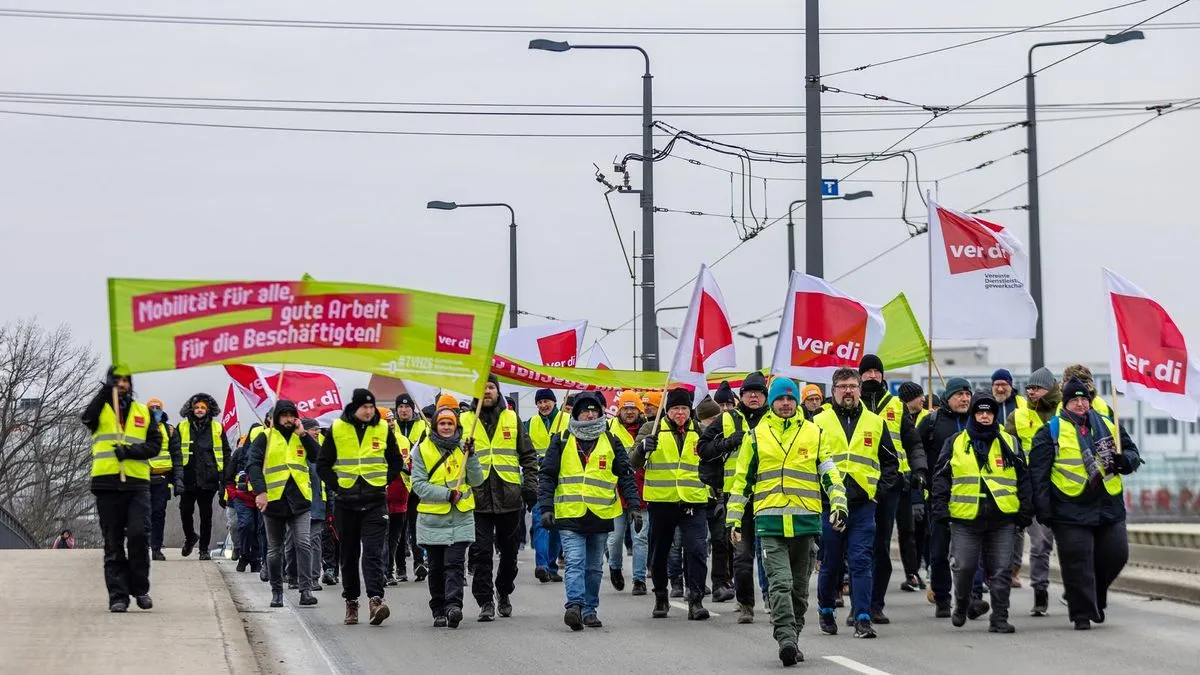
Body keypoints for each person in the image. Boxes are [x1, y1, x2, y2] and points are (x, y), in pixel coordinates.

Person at [728, 376, 847, 667]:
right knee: (780, 584)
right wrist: (734, 518)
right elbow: (742, 480)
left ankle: (793, 636)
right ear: (772, 402)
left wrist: (839, 503)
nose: (785, 403)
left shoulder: (814, 433)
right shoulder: (756, 436)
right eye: (780, 399)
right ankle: (786, 640)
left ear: (796, 401)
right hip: (770, 523)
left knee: (799, 591)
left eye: (790, 398)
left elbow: (830, 473)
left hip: (806, 523)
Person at [1029, 377, 1141, 630]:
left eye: (1084, 400)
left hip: (1108, 504)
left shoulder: (1109, 425)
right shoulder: (1050, 430)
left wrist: (1125, 461)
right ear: (1065, 403)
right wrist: (1042, 509)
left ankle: (1096, 597)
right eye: (1074, 400)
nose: (1080, 404)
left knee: (1116, 555)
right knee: (1077, 562)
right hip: (1069, 507)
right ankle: (1081, 614)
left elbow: (1133, 453)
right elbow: (1038, 473)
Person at [539, 392, 642, 630]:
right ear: (576, 414)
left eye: (594, 411)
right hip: (570, 513)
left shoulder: (611, 440)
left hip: (600, 514)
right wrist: (545, 508)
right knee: (575, 561)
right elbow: (547, 475)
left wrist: (634, 507)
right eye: (584, 411)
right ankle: (574, 606)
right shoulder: (561, 439)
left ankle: (589, 610)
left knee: (594, 567)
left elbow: (626, 476)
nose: (589, 415)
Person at [931, 392, 1032, 634]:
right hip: (965, 518)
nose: (985, 416)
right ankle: (962, 603)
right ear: (973, 414)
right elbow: (941, 477)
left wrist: (1026, 510)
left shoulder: (1010, 442)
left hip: (1003, 518)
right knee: (964, 567)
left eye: (989, 412)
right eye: (980, 412)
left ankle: (999, 618)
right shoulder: (956, 442)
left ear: (995, 415)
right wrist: (940, 508)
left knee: (1001, 570)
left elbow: (1024, 478)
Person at [813, 367, 899, 638]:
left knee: (861, 561)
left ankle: (863, 617)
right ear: (833, 391)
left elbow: (891, 463)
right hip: (830, 505)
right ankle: (826, 609)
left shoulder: (875, 422)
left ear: (860, 389)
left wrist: (877, 493)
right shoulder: (818, 421)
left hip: (863, 506)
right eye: (842, 387)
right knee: (831, 562)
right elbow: (806, 461)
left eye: (852, 386)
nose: (848, 391)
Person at [81, 364, 164, 612]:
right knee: (113, 542)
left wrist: (129, 452)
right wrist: (104, 393)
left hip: (137, 484)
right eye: (117, 380)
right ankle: (118, 596)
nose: (122, 384)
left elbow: (155, 445)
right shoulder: (101, 408)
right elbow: (86, 418)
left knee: (139, 536)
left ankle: (140, 588)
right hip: (107, 483)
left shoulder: (142, 411)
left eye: (125, 380)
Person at [318, 389, 404, 626]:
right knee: (349, 554)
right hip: (346, 503)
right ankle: (351, 601)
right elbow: (323, 464)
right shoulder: (338, 428)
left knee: (373, 553)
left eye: (371, 407)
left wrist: (383, 480)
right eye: (364, 407)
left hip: (375, 501)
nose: (368, 411)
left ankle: (376, 600)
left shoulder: (382, 428)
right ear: (354, 408)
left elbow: (396, 461)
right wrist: (337, 486)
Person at [460, 375, 539, 621]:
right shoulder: (464, 420)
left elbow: (528, 455)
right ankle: (485, 601)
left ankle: (503, 591)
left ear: (498, 391)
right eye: (482, 387)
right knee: (481, 552)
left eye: (491, 387)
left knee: (509, 553)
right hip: (477, 497)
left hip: (509, 497)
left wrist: (530, 487)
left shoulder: (512, 418)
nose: (487, 391)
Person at [856, 354, 926, 624]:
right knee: (859, 548)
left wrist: (919, 468)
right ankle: (858, 605)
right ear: (860, 376)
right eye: (868, 372)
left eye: (877, 371)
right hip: (858, 486)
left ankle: (875, 604)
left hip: (891, 485)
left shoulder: (897, 405)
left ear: (883, 376)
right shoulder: (852, 404)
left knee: (881, 547)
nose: (873, 375)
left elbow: (913, 442)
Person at [631, 387, 711, 621]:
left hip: (693, 500)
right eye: (675, 408)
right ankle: (660, 595)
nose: (680, 413)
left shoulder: (700, 430)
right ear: (667, 410)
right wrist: (643, 448)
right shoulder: (651, 428)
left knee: (696, 550)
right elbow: (632, 462)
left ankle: (695, 600)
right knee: (660, 552)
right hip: (661, 501)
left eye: (684, 408)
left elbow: (712, 460)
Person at [698, 370, 769, 623]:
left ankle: (774, 600)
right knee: (742, 555)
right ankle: (746, 603)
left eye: (758, 392)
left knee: (772, 554)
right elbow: (703, 448)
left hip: (771, 496)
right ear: (742, 396)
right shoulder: (727, 419)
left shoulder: (775, 419)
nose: (754, 397)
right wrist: (726, 443)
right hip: (737, 497)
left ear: (765, 396)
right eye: (749, 393)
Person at [412, 400, 485, 628]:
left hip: (460, 517)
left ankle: (454, 607)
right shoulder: (423, 450)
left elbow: (477, 480)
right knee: (436, 567)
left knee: (454, 565)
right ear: (435, 426)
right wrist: (446, 494)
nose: (446, 427)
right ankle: (438, 609)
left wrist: (471, 457)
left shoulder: (464, 448)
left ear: (456, 426)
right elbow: (418, 485)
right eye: (442, 423)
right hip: (433, 519)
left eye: (450, 423)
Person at [248, 400, 321, 609]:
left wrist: (304, 434)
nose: (288, 419)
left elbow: (318, 456)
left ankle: (305, 590)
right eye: (284, 415)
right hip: (274, 500)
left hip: (300, 500)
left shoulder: (301, 436)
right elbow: (253, 465)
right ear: (277, 417)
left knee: (303, 544)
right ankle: (277, 592)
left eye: (292, 415)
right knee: (275, 550)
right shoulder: (265, 437)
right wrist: (260, 492)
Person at [1004, 367, 1060, 615]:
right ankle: (1040, 591)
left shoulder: (1065, 412)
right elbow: (1006, 450)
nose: (1031, 392)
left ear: (1051, 389)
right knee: (1040, 544)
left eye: (1037, 388)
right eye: (1029, 388)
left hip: (1065, 489)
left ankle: (1076, 590)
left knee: (1072, 547)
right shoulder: (1017, 416)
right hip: (1034, 490)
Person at [917, 377, 974, 619]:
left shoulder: (976, 421)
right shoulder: (931, 423)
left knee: (969, 553)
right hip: (939, 497)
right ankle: (942, 598)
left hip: (971, 497)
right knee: (939, 552)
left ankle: (971, 597)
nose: (964, 399)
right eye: (959, 394)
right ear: (948, 397)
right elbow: (916, 452)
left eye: (967, 394)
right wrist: (918, 490)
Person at [173, 393, 231, 561]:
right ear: (191, 409)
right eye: (197, 407)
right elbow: (175, 451)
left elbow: (225, 453)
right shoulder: (182, 426)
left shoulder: (217, 428)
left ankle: (204, 549)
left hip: (209, 478)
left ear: (208, 410)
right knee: (185, 511)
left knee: (206, 516)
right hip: (188, 477)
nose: (199, 410)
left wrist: (224, 478)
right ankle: (190, 537)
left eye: (202, 407)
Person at [604, 391, 650, 595]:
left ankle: (639, 579)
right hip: (616, 492)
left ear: (639, 410)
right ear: (619, 410)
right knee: (614, 539)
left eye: (633, 408)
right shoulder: (608, 429)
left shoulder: (650, 429)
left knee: (640, 538)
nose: (629, 412)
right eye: (625, 408)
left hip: (641, 492)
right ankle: (615, 567)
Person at [527, 388, 567, 583]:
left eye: (546, 401)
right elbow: (525, 451)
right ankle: (541, 565)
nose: (543, 405)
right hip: (540, 480)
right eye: (540, 402)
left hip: (562, 480)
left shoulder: (567, 420)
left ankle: (552, 566)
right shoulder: (530, 423)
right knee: (540, 522)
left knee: (556, 524)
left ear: (554, 402)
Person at [394, 393, 429, 582]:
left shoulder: (422, 426)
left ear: (413, 409)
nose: (404, 410)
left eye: (407, 407)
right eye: (400, 407)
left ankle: (419, 563)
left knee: (417, 525)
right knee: (399, 528)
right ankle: (400, 567)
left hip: (416, 482)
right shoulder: (391, 426)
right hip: (397, 485)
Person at [896, 381, 927, 592]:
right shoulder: (895, 415)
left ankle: (913, 572)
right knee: (904, 530)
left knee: (914, 529)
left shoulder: (928, 417)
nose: (923, 399)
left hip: (915, 480)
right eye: (918, 396)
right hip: (895, 479)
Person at [146, 398, 183, 561]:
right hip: (143, 478)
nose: (155, 410)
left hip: (162, 479)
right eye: (152, 408)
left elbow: (177, 457)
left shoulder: (170, 430)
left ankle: (156, 548)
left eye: (158, 407)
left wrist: (178, 480)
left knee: (159, 514)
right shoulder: (139, 428)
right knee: (142, 514)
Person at [225, 432, 262, 574]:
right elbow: (228, 477)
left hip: (261, 497)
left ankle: (255, 558)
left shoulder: (266, 453)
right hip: (242, 498)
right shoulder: (239, 453)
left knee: (259, 529)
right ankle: (244, 554)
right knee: (246, 525)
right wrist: (233, 494)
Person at [301, 419, 327, 591]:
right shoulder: (298, 452)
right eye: (313, 429)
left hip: (317, 506)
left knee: (315, 542)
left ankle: (313, 578)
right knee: (299, 543)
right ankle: (295, 575)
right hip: (300, 507)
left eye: (318, 429)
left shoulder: (321, 453)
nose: (317, 432)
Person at [385, 462, 410, 584]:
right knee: (383, 540)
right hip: (380, 501)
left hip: (399, 502)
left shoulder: (408, 451)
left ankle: (388, 572)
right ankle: (385, 572)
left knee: (393, 540)